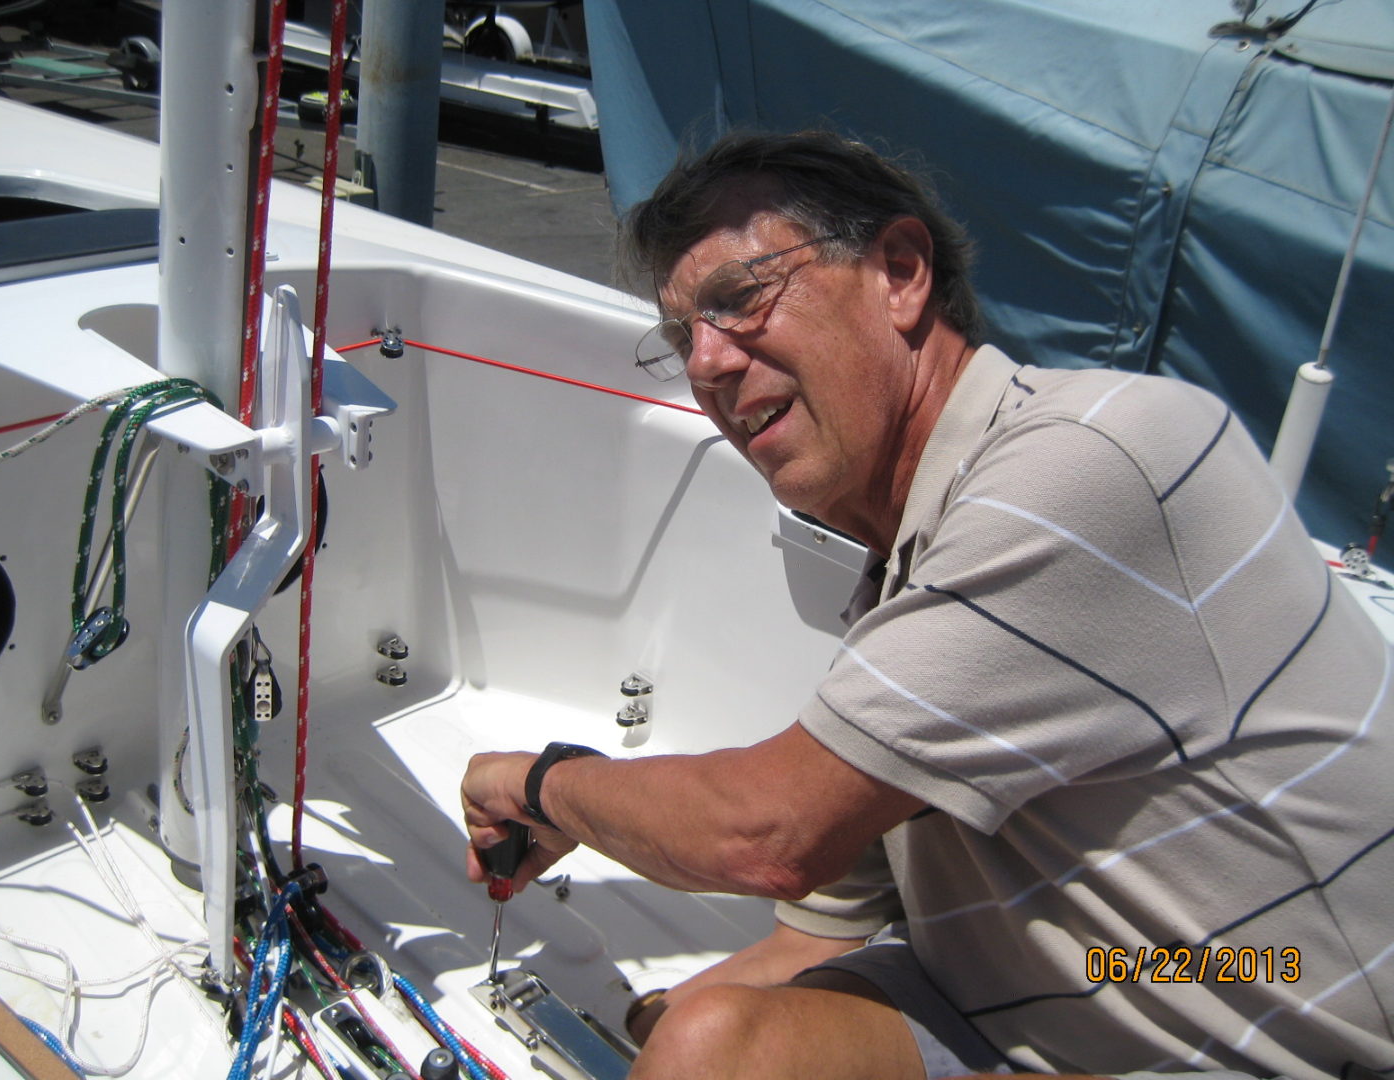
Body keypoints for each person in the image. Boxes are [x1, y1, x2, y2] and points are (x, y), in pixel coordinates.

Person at [460, 131, 1394, 1080]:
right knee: (696, 1041)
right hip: (1030, 1003)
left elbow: (768, 835)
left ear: (900, 275)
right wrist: (650, 1019)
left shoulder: (1095, 461)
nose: (706, 364)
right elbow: (814, 931)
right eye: (680, 338)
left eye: (738, 300)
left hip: (1265, 1035)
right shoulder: (909, 579)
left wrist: (545, 785)